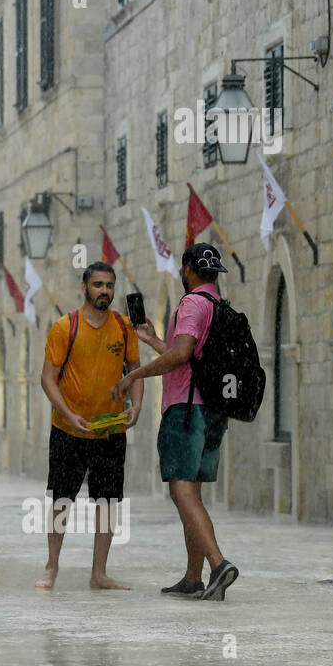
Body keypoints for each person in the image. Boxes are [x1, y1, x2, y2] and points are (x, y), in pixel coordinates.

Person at [110, 243, 239, 601]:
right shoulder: (218, 306)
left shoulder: (192, 304)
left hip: (185, 410)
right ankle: (193, 578)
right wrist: (152, 339)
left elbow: (180, 356)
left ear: (189, 271)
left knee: (180, 490)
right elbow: (187, 356)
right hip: (213, 411)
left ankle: (218, 564)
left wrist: (133, 376)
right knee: (193, 492)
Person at [37, 262, 142, 591]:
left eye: (110, 285)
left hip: (110, 431)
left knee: (108, 502)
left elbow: (135, 370)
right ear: (85, 287)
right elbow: (47, 379)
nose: (105, 291)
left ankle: (99, 573)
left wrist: (137, 404)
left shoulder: (124, 328)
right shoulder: (64, 327)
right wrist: (69, 416)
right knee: (60, 500)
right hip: (69, 430)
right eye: (98, 285)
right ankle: (52, 567)